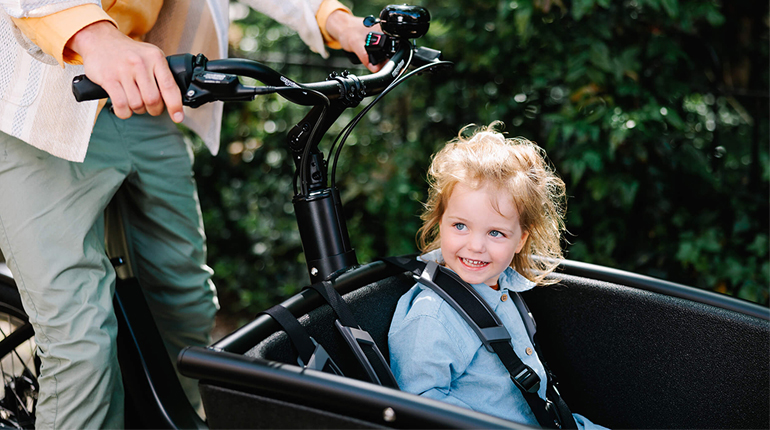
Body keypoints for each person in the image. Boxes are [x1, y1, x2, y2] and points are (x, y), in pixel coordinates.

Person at [0, 0, 380, 428]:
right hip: (34, 106)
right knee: (79, 340)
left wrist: (335, 20)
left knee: (186, 305)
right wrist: (94, 34)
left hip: (138, 95)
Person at [388, 122, 606, 429]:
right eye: (460, 226)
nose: (475, 246)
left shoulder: (506, 287)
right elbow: (421, 404)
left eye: (495, 232)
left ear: (520, 240)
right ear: (440, 222)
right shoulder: (432, 316)